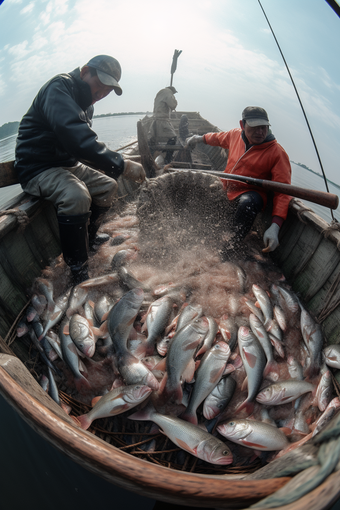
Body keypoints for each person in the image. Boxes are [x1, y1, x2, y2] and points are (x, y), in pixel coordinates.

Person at [14, 55, 146, 284]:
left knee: (108, 186)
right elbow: (76, 137)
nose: (102, 93)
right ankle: (77, 267)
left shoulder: (88, 106)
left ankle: (90, 237)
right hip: (37, 166)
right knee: (77, 195)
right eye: (100, 84)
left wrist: (114, 166)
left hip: (67, 165)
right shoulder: (59, 88)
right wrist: (121, 163)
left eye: (108, 89)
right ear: (85, 71)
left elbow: (82, 148)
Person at [185, 106, 291, 259]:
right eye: (255, 127)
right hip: (226, 188)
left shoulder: (277, 153)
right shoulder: (235, 135)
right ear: (243, 125)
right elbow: (217, 138)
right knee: (200, 192)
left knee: (248, 203)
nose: (260, 132)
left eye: (264, 127)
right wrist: (198, 138)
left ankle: (229, 250)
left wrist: (275, 225)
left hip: (250, 196)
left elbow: (283, 193)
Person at [148, 86, 178, 164]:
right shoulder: (169, 93)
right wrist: (174, 99)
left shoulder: (160, 92)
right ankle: (167, 159)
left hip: (155, 121)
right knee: (173, 138)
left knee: (152, 140)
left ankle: (150, 158)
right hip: (162, 121)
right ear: (172, 91)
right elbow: (173, 105)